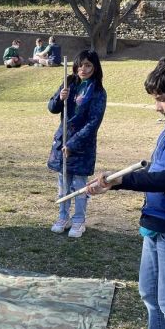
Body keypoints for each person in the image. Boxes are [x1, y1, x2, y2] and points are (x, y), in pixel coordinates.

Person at [87, 55, 165, 329]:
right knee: (149, 291)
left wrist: (122, 182)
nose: (158, 107)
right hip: (155, 223)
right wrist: (116, 179)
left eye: (163, 99)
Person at [48, 49, 107, 238]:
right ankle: (62, 217)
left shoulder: (98, 91)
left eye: (88, 65)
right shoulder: (69, 83)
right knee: (63, 183)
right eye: (80, 65)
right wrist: (60, 98)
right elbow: (52, 107)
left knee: (80, 186)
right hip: (62, 139)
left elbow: (93, 122)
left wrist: (73, 144)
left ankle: (79, 220)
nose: (83, 69)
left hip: (82, 145)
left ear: (95, 67)